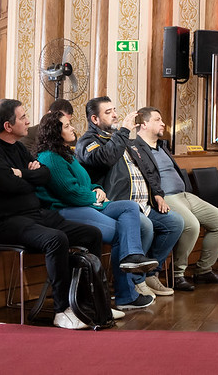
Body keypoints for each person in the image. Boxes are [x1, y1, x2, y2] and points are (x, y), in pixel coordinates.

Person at [0, 99, 103, 330]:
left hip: (33, 215)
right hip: (2, 222)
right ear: (8, 126)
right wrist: (28, 177)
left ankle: (86, 303)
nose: (28, 121)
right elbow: (9, 185)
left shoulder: (19, 147)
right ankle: (62, 310)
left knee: (91, 234)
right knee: (56, 239)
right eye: (22, 117)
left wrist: (21, 174)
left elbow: (45, 175)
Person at [34, 111, 158, 310]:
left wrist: (97, 189)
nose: (73, 128)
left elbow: (85, 182)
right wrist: (94, 197)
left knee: (130, 206)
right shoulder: (50, 157)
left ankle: (132, 256)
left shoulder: (66, 153)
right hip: (66, 209)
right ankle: (125, 296)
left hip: (86, 204)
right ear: (55, 133)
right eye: (67, 126)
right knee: (121, 233)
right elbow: (70, 193)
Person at [76, 96, 183, 300]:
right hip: (117, 204)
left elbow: (148, 168)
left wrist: (157, 194)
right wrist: (124, 131)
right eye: (108, 112)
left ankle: (150, 274)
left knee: (175, 223)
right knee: (145, 227)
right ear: (95, 119)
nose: (115, 115)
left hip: (144, 204)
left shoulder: (123, 140)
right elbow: (105, 158)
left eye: (114, 110)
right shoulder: (88, 142)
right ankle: (135, 281)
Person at [134, 106, 218, 291]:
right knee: (192, 225)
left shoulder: (162, 146)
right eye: (157, 120)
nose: (163, 123)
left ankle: (203, 270)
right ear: (144, 124)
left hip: (184, 194)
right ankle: (178, 274)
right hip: (166, 197)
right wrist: (158, 195)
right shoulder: (136, 148)